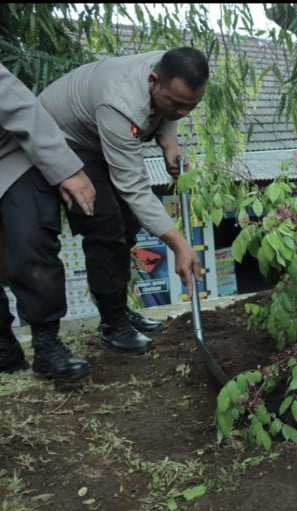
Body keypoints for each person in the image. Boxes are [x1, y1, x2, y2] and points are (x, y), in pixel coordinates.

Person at [39, 47, 207, 355]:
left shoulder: (170, 67)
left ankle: (119, 307)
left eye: (192, 106)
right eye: (177, 104)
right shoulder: (121, 103)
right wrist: (179, 244)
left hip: (101, 136)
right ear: (153, 81)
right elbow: (134, 188)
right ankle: (112, 323)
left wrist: (169, 142)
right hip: (63, 139)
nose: (183, 113)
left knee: (129, 221)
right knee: (104, 224)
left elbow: (168, 108)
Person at [0, 63, 96, 385]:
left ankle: (46, 343)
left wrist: (65, 168)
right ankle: (4, 349)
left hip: (9, 156)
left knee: (29, 239)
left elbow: (23, 109)